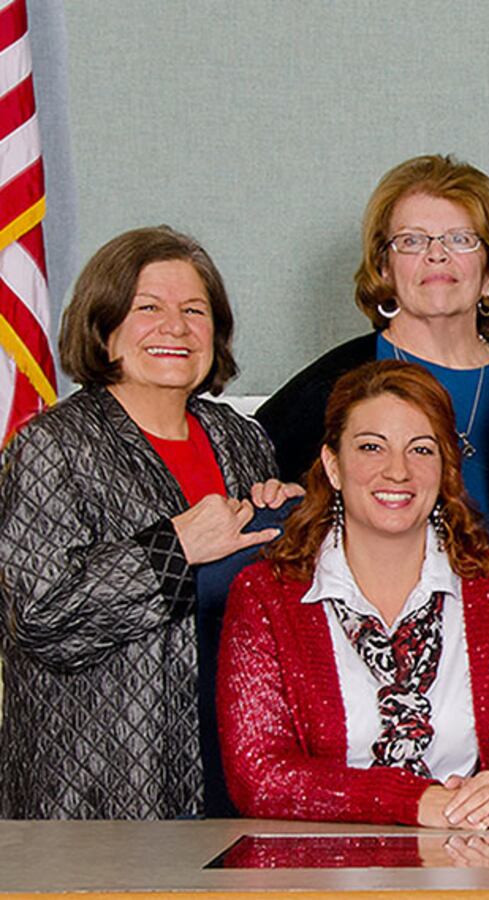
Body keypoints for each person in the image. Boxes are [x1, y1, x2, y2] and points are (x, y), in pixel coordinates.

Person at [0, 226, 296, 819]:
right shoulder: (51, 445)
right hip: (101, 785)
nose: (177, 327)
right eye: (148, 308)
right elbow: (38, 619)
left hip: (234, 762)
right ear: (104, 326)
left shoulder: (242, 441)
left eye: (194, 310)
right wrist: (173, 548)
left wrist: (291, 519)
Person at [219, 361, 489, 826]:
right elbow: (260, 777)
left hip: (476, 872)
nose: (398, 471)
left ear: (446, 466)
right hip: (321, 880)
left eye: (421, 450)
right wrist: (413, 801)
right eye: (371, 447)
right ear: (332, 464)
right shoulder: (267, 594)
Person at [255, 154, 489, 513]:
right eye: (411, 241)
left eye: (460, 239)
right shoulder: (335, 382)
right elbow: (253, 484)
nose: (436, 254)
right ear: (384, 269)